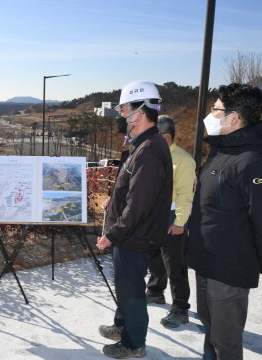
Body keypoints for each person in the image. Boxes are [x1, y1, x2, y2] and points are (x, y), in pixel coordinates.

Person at [187, 83, 262, 360]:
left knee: (226, 342)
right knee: (211, 330)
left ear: (233, 118)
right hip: (207, 261)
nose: (211, 114)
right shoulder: (221, 150)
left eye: (215, 109)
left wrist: (254, 264)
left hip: (229, 268)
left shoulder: (253, 160)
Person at [96, 80, 173, 359]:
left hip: (134, 235)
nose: (121, 116)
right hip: (133, 233)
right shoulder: (142, 145)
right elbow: (131, 189)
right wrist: (113, 200)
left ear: (139, 112)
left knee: (132, 291)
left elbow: (139, 204)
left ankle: (133, 343)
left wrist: (112, 233)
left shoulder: (150, 149)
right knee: (125, 285)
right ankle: (122, 326)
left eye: (124, 109)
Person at [145, 115, 196, 328]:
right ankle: (156, 292)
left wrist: (180, 222)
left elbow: (186, 194)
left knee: (175, 263)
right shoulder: (153, 154)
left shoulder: (183, 160)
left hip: (172, 216)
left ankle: (180, 307)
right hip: (154, 216)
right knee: (155, 258)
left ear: (165, 136)